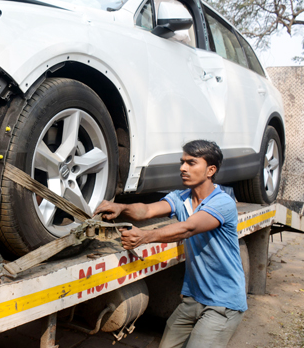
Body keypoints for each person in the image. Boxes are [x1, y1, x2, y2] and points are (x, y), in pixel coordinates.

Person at [94, 140, 246, 348]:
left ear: (210, 170)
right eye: (182, 162)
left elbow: (188, 228)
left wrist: (144, 237)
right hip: (193, 299)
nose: (182, 168)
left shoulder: (222, 202)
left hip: (222, 303)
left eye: (191, 163)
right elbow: (146, 211)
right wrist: (120, 207)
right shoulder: (181, 197)